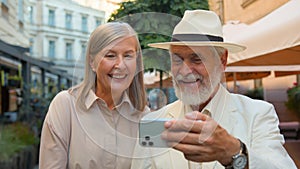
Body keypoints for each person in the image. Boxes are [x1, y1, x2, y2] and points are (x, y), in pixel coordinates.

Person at [131, 10, 297, 169]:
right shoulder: (153, 123)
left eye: (196, 59)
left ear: (222, 61)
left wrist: (233, 151)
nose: (185, 71)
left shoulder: (257, 114)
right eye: (177, 59)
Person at [39, 22, 149, 169]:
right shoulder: (65, 106)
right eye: (110, 55)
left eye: (128, 55)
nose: (120, 65)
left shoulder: (145, 117)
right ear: (92, 62)